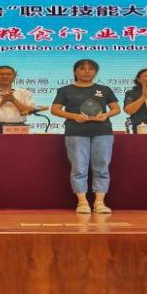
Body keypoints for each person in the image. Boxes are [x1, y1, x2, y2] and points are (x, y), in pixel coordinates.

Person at [51, 59, 121, 214]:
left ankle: (99, 202)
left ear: (96, 72)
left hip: (102, 131)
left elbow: (116, 109)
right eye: (83, 68)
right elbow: (55, 110)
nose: (87, 72)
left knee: (102, 166)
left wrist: (106, 115)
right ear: (75, 71)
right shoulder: (65, 90)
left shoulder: (104, 89)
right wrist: (74, 116)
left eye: (91, 69)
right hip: (76, 132)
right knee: (79, 167)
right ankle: (82, 202)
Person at [0, 65, 36, 132]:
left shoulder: (25, 93)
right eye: (1, 74)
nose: (5, 76)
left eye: (8, 74)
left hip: (19, 128)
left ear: (14, 77)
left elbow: (31, 111)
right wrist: (2, 102)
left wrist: (13, 100)